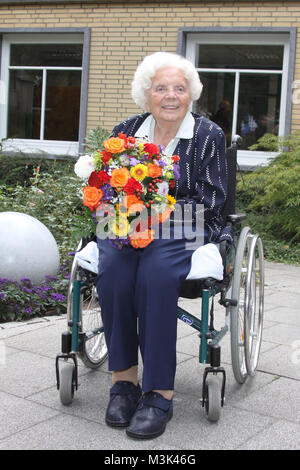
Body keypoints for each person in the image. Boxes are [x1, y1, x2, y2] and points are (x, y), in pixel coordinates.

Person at [96, 51, 232, 439]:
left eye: (179, 88)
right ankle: (123, 381)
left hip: (188, 224)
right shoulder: (126, 130)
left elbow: (211, 200)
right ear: (147, 94)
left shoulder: (208, 135)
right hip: (126, 222)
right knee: (114, 270)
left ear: (191, 95)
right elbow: (107, 184)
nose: (170, 96)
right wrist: (112, 204)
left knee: (156, 272)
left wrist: (157, 212)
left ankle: (159, 393)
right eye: (161, 88)